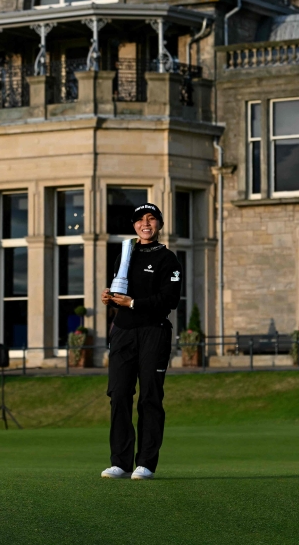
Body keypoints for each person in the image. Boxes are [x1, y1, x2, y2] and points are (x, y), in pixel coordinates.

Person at [100, 203, 182, 480]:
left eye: (151, 219)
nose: (145, 224)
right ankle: (120, 462)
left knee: (149, 396)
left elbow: (169, 301)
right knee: (119, 394)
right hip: (123, 332)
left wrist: (133, 302)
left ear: (159, 224)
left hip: (153, 332)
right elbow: (119, 293)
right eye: (139, 220)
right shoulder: (124, 254)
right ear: (134, 225)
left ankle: (145, 462)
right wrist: (110, 298)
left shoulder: (168, 259)